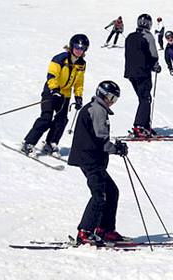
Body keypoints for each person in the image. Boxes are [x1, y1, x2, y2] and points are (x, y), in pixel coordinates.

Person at [67, 81, 129, 245]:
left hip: (93, 159)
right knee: (99, 195)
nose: (111, 101)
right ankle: (85, 232)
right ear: (101, 93)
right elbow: (101, 140)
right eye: (110, 97)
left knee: (112, 191)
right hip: (89, 159)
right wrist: (116, 149)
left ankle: (105, 229)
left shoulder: (98, 109)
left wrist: (115, 147)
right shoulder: (97, 110)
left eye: (114, 99)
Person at [21, 34, 89, 157]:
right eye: (77, 47)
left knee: (62, 120)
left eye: (82, 48)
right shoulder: (60, 59)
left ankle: (51, 143)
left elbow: (79, 82)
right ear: (71, 46)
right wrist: (54, 89)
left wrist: (78, 96)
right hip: (51, 92)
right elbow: (52, 75)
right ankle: (28, 143)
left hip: (65, 95)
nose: (79, 51)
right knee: (46, 118)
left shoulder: (81, 64)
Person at [124, 13, 161, 138]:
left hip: (130, 73)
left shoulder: (130, 36)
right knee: (146, 98)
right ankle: (139, 126)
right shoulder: (148, 36)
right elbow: (153, 54)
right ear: (149, 24)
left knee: (143, 98)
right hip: (143, 72)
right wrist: (155, 65)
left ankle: (144, 125)